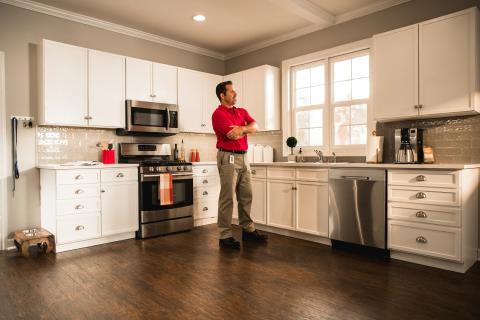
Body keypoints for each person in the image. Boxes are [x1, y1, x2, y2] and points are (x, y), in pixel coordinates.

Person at [212, 81, 268, 249]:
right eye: (232, 91)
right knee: (227, 197)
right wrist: (245, 128)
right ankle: (225, 235)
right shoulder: (218, 114)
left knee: (246, 195)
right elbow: (232, 135)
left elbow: (255, 127)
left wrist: (242, 128)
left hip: (244, 157)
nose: (235, 94)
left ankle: (248, 230)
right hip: (228, 157)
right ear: (223, 95)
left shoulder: (242, 111)